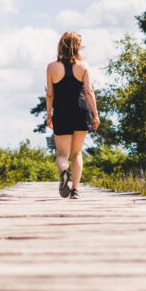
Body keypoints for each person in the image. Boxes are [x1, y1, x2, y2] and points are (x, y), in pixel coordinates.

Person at [45, 31, 99, 199]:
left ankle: (64, 172)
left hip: (62, 112)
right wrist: (96, 115)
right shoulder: (84, 66)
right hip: (81, 111)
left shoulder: (52, 67)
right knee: (77, 153)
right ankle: (75, 191)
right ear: (77, 46)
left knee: (62, 155)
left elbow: (50, 95)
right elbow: (89, 91)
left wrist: (49, 115)